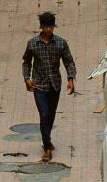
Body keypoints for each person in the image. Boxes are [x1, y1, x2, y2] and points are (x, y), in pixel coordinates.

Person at [22, 9, 77, 161]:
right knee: (44, 114)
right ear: (41, 27)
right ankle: (47, 148)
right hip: (38, 85)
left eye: (51, 27)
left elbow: (69, 61)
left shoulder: (60, 43)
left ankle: (47, 138)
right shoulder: (33, 44)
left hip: (55, 85)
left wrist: (71, 78)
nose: (48, 30)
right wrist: (27, 78)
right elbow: (26, 62)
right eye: (45, 27)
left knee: (51, 114)